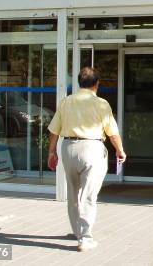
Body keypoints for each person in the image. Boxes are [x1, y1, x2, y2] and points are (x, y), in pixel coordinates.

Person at [47, 67, 127, 252]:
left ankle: (77, 231)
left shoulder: (66, 101)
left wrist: (52, 152)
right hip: (92, 148)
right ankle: (85, 238)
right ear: (96, 84)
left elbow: (54, 130)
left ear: (79, 83)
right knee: (89, 194)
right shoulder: (101, 104)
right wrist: (120, 150)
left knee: (74, 193)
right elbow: (112, 132)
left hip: (68, 148)